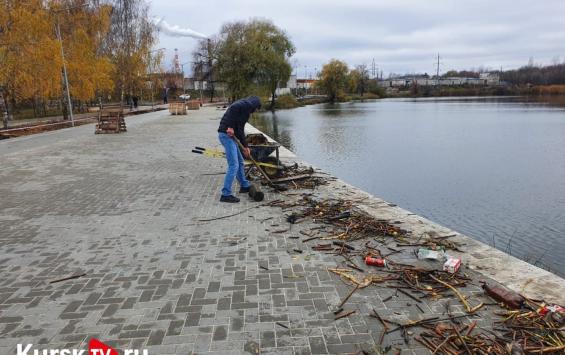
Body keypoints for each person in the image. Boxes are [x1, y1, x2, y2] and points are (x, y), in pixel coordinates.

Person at [217, 96, 262, 203]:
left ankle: (244, 185)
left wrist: (245, 146)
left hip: (231, 137)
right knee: (234, 164)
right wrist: (230, 126)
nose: (254, 112)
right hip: (226, 135)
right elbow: (233, 107)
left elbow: (240, 130)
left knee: (240, 161)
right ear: (254, 106)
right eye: (256, 109)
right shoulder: (245, 106)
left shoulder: (244, 110)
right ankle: (225, 194)